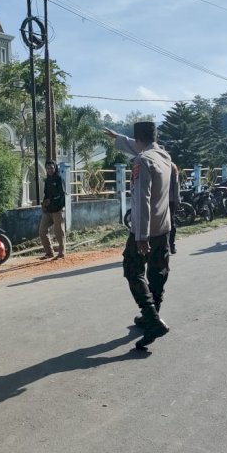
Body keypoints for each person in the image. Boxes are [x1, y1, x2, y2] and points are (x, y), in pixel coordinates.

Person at [102, 122, 172, 350]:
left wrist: (141, 236)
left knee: (132, 269)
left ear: (138, 138)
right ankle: (153, 314)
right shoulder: (164, 156)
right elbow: (140, 147)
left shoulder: (142, 161)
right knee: (158, 271)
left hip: (145, 230)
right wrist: (118, 138)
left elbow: (141, 199)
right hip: (164, 227)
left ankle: (151, 319)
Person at [38, 160, 66, 260]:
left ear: (55, 168)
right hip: (48, 210)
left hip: (58, 209)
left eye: (52, 168)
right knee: (42, 230)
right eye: (48, 168)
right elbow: (46, 194)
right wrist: (44, 203)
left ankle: (61, 253)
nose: (50, 170)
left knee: (59, 232)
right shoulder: (47, 180)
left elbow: (62, 195)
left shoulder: (59, 179)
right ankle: (49, 253)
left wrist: (52, 200)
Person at [168, 162, 181, 254]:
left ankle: (171, 245)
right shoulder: (172, 166)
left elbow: (176, 184)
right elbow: (176, 184)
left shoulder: (172, 166)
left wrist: (176, 200)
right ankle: (170, 245)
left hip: (168, 200)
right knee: (171, 223)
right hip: (168, 200)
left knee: (171, 223)